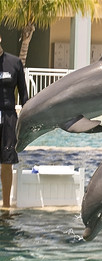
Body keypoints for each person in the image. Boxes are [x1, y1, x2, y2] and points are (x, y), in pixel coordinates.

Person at [0, 34, 28, 208]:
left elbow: (24, 94)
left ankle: (6, 205)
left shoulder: (14, 62)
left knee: (6, 162)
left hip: (9, 116)